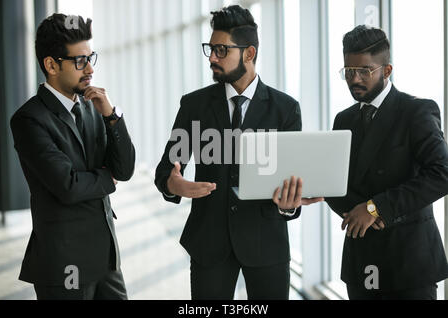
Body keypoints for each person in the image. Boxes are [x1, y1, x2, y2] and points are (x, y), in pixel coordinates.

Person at [155, 5, 322, 300]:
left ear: (249, 53)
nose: (212, 58)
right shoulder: (195, 106)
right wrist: (173, 184)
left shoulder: (285, 109)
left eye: (221, 50)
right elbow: (166, 170)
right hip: (209, 242)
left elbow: (289, 182)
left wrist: (288, 204)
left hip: (266, 243)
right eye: (210, 49)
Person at [10, 14, 136, 300]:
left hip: (106, 259)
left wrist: (111, 116)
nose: (90, 68)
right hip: (65, 263)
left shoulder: (93, 107)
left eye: (90, 57)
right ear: (51, 65)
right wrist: (108, 178)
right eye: (80, 61)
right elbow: (67, 186)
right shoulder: (29, 119)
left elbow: (125, 168)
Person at [326, 25, 448, 300]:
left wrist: (376, 208)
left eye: (365, 71)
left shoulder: (416, 111)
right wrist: (356, 211)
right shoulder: (343, 120)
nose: (354, 78)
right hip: (362, 259)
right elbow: (334, 183)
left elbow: (442, 173)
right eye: (348, 71)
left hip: (409, 261)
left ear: (387, 70)